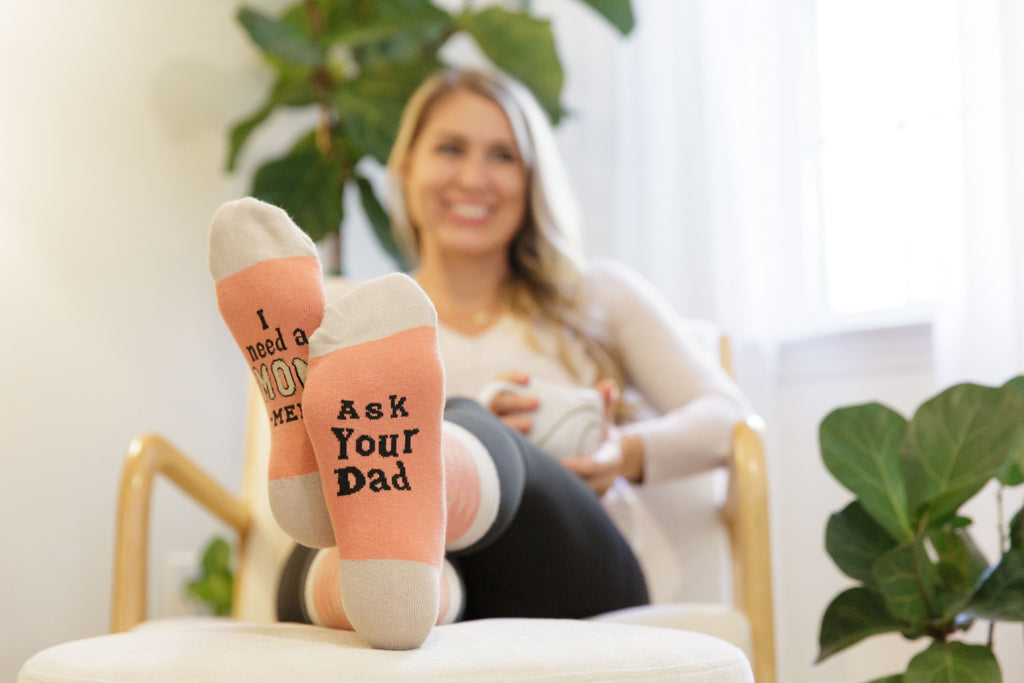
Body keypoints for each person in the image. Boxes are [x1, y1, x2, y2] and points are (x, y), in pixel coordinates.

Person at [208, 68, 749, 651]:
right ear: (407, 164)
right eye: (450, 149)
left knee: (462, 420)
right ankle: (394, 591)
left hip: (568, 571)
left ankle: (388, 469)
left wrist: (625, 452)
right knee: (356, 543)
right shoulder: (352, 315)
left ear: (531, 178)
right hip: (434, 587)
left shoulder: (598, 297)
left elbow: (729, 417)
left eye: (502, 156)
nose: (474, 177)